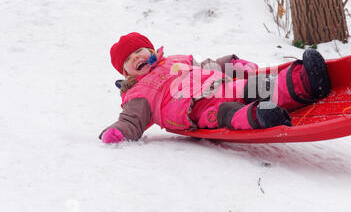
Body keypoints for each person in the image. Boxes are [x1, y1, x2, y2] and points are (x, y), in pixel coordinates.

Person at [99, 32, 331, 143]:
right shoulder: (138, 93)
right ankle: (261, 116)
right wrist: (118, 132)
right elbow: (131, 120)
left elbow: (207, 66)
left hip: (220, 86)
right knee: (228, 113)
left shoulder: (176, 60)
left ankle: (306, 82)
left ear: (151, 50)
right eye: (129, 58)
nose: (136, 56)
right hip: (196, 111)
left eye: (139, 50)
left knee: (257, 87)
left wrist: (230, 63)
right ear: (126, 72)